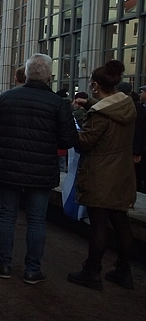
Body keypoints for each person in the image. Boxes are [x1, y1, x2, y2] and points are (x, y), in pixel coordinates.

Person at [0, 53, 78, 284]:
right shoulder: (58, 103)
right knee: (37, 220)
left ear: (26, 74)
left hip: (8, 165)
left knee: (7, 215)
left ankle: (4, 264)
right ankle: (31, 269)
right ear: (49, 76)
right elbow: (68, 139)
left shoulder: (6, 98)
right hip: (41, 168)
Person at [67, 60, 137, 291]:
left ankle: (92, 270)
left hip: (100, 172)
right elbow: (110, 112)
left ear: (95, 85)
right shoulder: (128, 106)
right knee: (120, 221)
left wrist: (74, 125)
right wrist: (91, 105)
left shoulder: (98, 115)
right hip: (123, 172)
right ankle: (124, 270)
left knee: (98, 222)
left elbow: (86, 142)